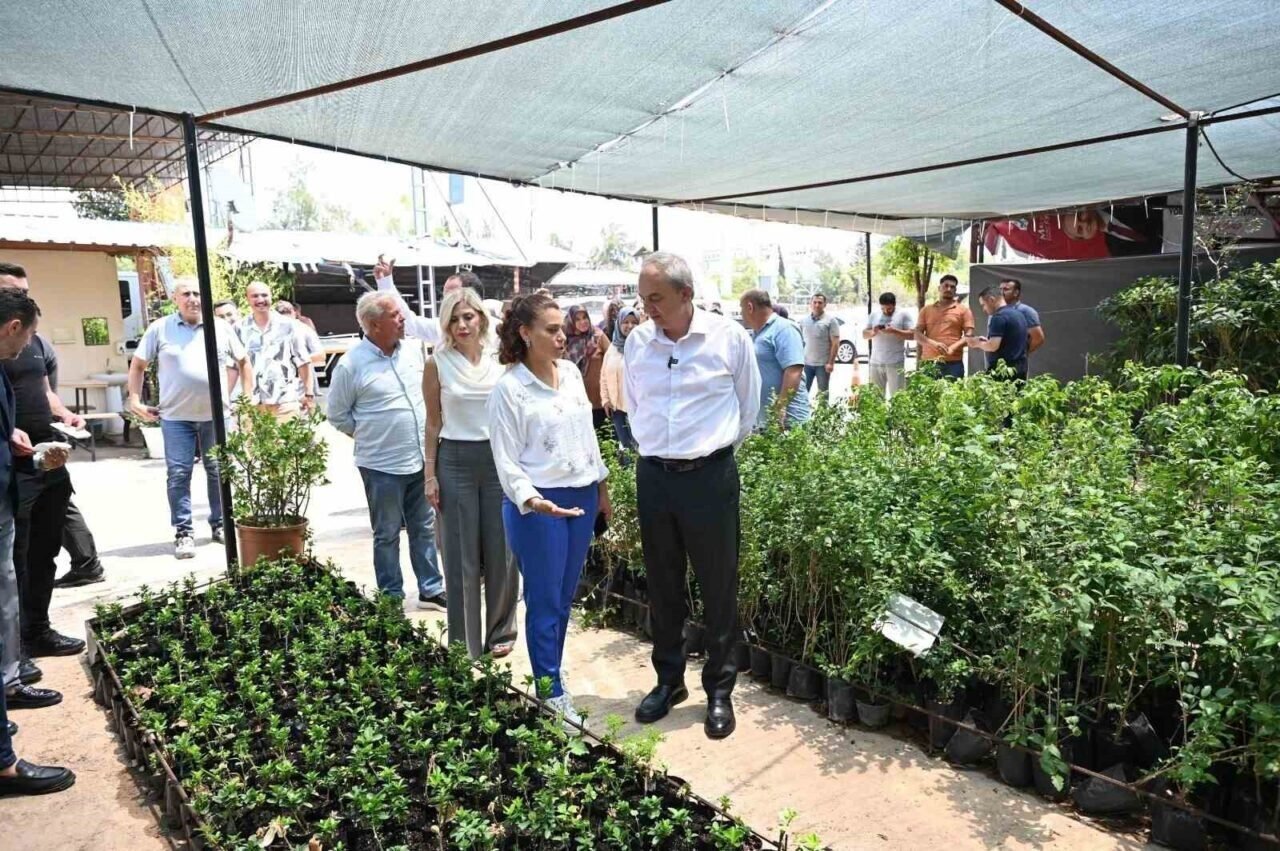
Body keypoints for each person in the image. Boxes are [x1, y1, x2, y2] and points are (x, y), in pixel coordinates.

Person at [626, 252, 760, 740]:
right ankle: (669, 681)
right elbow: (634, 404)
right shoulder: (638, 342)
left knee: (718, 585)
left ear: (686, 294)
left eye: (656, 298)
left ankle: (719, 690)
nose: (647, 309)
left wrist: (710, 455)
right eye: (643, 299)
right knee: (662, 584)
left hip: (709, 478)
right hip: (654, 477)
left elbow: (748, 407)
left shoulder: (728, 338)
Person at [489, 291, 611, 728]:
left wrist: (601, 486)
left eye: (562, 329)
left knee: (562, 600)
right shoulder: (509, 389)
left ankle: (551, 678)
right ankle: (550, 692)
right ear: (525, 333)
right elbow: (505, 459)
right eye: (552, 330)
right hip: (538, 506)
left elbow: (587, 437)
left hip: (580, 498)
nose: (562, 337)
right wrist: (533, 500)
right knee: (543, 601)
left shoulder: (571, 374)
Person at [0, 286, 75, 797]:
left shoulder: (17, 358)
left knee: (31, 563)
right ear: (12, 326)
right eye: (25, 336)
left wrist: (12, 438)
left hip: (24, 468)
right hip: (8, 487)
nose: (28, 345)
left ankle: (21, 656)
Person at [327, 291, 447, 609]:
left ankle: (431, 589)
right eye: (395, 315)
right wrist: (370, 435)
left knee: (423, 527)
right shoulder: (351, 365)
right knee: (387, 533)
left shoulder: (412, 352)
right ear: (374, 324)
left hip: (420, 459)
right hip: (381, 466)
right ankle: (391, 596)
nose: (402, 318)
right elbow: (337, 415)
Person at [422, 287, 518, 659]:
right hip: (455, 460)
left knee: (502, 549)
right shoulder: (437, 362)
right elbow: (433, 423)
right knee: (458, 551)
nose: (462, 325)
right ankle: (465, 642)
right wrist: (430, 474)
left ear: (480, 317)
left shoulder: (501, 359)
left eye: (468, 316)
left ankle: (501, 631)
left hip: (497, 458)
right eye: (454, 319)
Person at [0, 264, 88, 665]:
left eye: (25, 291)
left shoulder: (33, 341)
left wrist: (65, 415)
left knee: (44, 551)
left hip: (48, 458)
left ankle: (37, 631)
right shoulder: (7, 338)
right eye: (13, 291)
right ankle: (14, 650)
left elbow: (45, 390)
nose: (23, 297)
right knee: (14, 559)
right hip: (13, 465)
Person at [128, 281, 252, 558]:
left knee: (218, 471)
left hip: (216, 417)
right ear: (175, 298)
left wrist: (245, 399)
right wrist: (134, 400)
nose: (193, 299)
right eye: (187, 294)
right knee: (178, 474)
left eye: (198, 293)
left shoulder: (220, 327)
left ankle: (220, 524)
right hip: (176, 418)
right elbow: (138, 365)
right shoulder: (160, 328)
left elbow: (244, 362)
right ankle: (184, 533)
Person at [239, 282, 313, 420]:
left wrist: (309, 394)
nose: (260, 300)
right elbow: (233, 366)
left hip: (285, 401)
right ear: (247, 298)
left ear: (271, 296)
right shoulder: (239, 328)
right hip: (252, 404)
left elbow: (303, 360)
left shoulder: (289, 325)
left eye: (264, 295)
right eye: (255, 296)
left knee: (288, 435)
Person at [740, 290, 809, 430]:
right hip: (767, 420)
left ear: (750, 307)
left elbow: (794, 371)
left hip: (788, 419)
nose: (741, 314)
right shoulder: (758, 333)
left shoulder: (784, 329)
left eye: (741, 309)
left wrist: (780, 407)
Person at [373, 258, 472, 345]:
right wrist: (385, 282)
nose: (446, 302)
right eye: (444, 297)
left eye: (451, 297)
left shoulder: (481, 337)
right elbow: (410, 323)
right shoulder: (441, 329)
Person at [915, 274, 975, 380]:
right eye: (946, 286)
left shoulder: (964, 311)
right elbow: (917, 334)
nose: (949, 289)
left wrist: (953, 348)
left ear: (955, 290)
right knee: (928, 391)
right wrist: (934, 344)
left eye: (952, 287)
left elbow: (969, 336)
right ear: (939, 288)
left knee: (953, 391)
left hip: (953, 363)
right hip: (929, 362)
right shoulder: (926, 310)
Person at [965, 286, 1030, 380]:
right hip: (1020, 369)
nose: (984, 309)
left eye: (983, 305)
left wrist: (976, 343)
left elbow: (993, 346)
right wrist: (986, 342)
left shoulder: (998, 317)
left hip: (1003, 371)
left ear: (991, 300)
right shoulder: (1019, 314)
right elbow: (1011, 341)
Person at [563, 304, 610, 431]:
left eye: (585, 317)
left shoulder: (598, 336)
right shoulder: (565, 341)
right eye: (577, 319)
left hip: (600, 402)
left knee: (605, 438)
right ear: (571, 321)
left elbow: (613, 360)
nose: (583, 321)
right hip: (576, 402)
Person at [599, 306, 639, 452]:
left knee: (640, 447)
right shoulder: (612, 349)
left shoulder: (642, 347)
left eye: (634, 322)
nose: (630, 326)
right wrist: (605, 400)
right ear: (619, 323)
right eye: (626, 322)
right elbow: (604, 375)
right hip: (617, 409)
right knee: (626, 446)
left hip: (636, 408)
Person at [863, 292, 914, 399]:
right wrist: (873, 332)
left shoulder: (903, 314)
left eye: (889, 309)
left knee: (897, 397)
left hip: (895, 362)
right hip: (876, 362)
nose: (886, 311)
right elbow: (864, 334)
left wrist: (894, 331)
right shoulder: (874, 315)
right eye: (883, 309)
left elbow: (912, 335)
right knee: (876, 398)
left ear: (894, 304)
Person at [275, 300, 324, 396]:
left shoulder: (303, 328)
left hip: (299, 389)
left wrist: (297, 361)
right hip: (280, 389)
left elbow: (321, 355)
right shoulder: (271, 330)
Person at [799, 293, 841, 399]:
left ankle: (823, 410)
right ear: (810, 304)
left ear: (825, 304)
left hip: (823, 365)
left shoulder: (831, 321)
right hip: (806, 364)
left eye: (820, 303)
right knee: (802, 394)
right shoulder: (804, 321)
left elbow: (835, 343)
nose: (817, 305)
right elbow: (799, 342)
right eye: (815, 302)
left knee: (823, 395)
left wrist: (831, 363)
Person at [999, 278, 1045, 361]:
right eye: (1000, 289)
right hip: (995, 362)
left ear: (1016, 293)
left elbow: (1038, 338)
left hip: (1014, 364)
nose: (1001, 293)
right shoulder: (995, 311)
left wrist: (1019, 355)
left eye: (1006, 289)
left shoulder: (1026, 311)